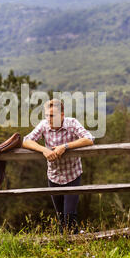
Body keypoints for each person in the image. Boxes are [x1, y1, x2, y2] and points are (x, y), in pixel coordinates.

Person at [22, 99, 95, 234]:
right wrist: (44, 150)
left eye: (52, 116)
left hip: (72, 175)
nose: (48, 119)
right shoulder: (44, 125)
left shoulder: (71, 123)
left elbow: (89, 139)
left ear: (62, 115)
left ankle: (72, 244)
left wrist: (65, 146)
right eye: (46, 115)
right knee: (60, 215)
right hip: (54, 176)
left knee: (69, 215)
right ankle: (64, 245)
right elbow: (26, 141)